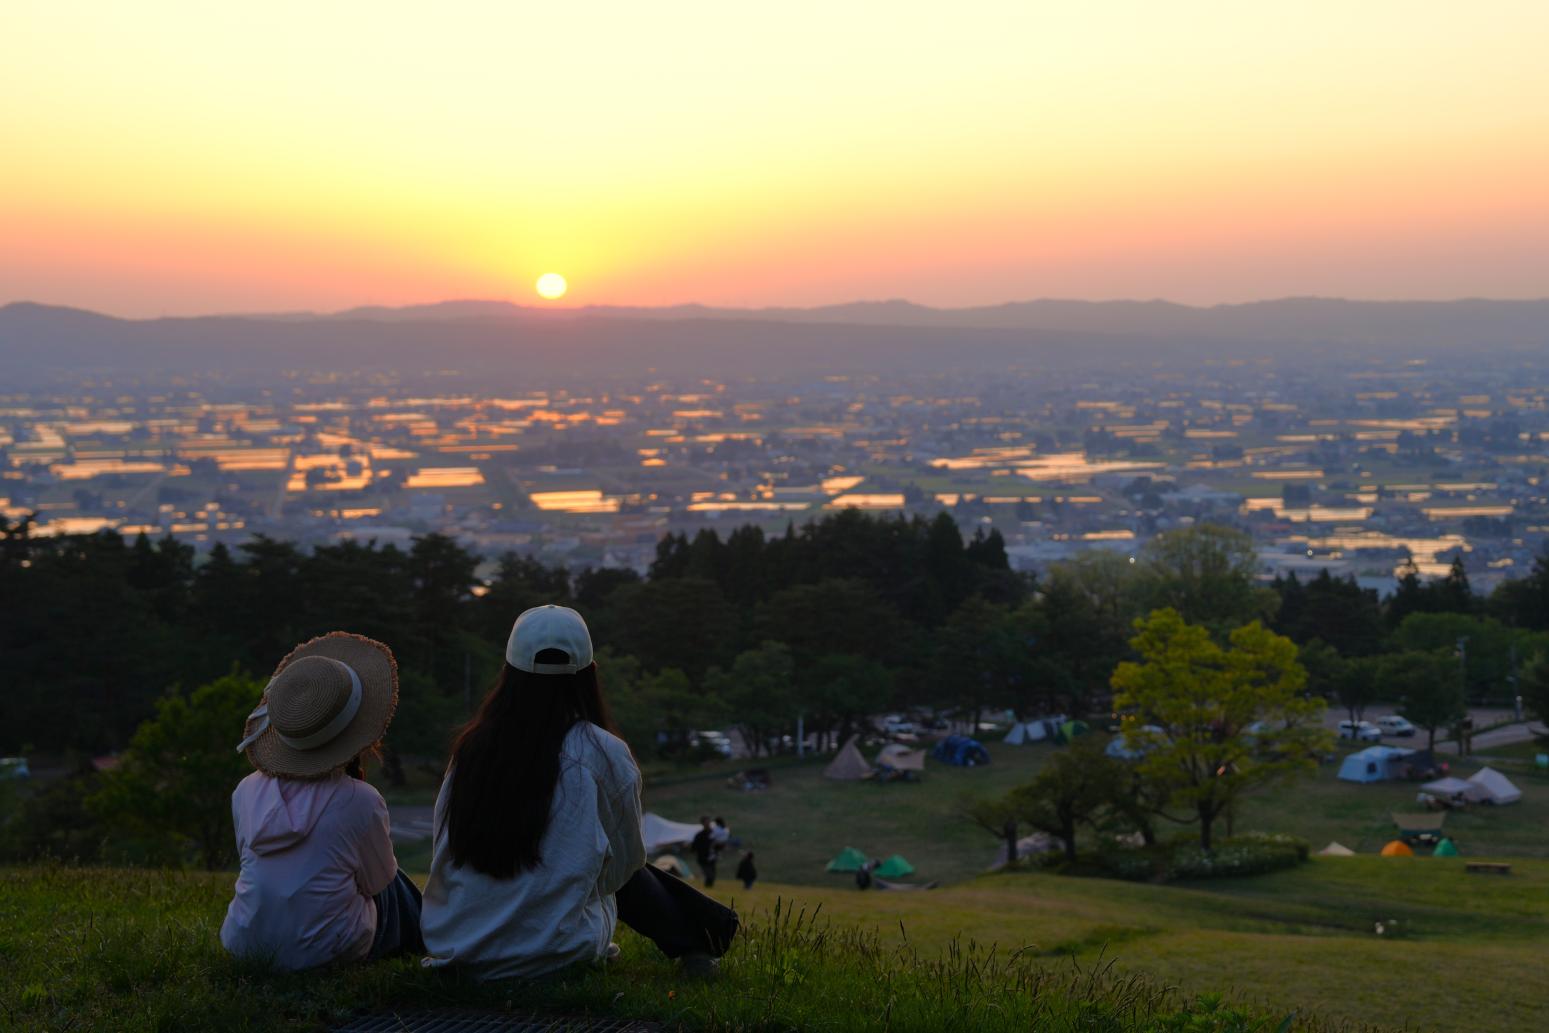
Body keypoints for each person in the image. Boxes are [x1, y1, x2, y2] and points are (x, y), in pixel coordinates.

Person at [420, 605, 738, 980]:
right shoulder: (601, 751)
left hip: (457, 951)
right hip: (553, 954)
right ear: (590, 675)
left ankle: (704, 933)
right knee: (615, 860)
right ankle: (702, 938)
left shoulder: (470, 749)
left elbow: (445, 844)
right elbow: (625, 866)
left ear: (508, 673)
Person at [221, 632, 422, 970]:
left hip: (245, 944)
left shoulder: (245, 791)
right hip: (327, 952)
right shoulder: (360, 799)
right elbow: (376, 884)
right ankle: (426, 942)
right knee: (395, 881)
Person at [692, 816, 719, 887]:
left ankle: (709, 889)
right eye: (706, 822)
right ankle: (707, 889)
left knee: (713, 875)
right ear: (702, 823)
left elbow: (719, 843)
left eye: (708, 822)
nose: (707, 824)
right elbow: (694, 847)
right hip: (702, 858)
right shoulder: (699, 835)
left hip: (712, 858)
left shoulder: (714, 833)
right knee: (709, 875)